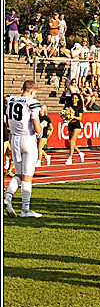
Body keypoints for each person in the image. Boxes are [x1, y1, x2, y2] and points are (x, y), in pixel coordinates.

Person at [4, 81, 44, 218]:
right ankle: (25, 209)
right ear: (32, 91)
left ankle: (7, 198)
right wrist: (42, 128)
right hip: (27, 139)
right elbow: (37, 127)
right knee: (27, 177)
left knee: (18, 174)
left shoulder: (11, 100)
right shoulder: (32, 102)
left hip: (14, 138)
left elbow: (8, 120)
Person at [60, 82, 86, 164]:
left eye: (75, 98)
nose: (73, 99)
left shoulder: (79, 107)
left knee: (71, 141)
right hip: (70, 124)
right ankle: (80, 153)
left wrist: (72, 116)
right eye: (73, 98)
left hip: (76, 125)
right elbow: (65, 115)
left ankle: (70, 158)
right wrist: (66, 117)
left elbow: (80, 118)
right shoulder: (69, 106)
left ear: (78, 99)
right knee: (72, 142)